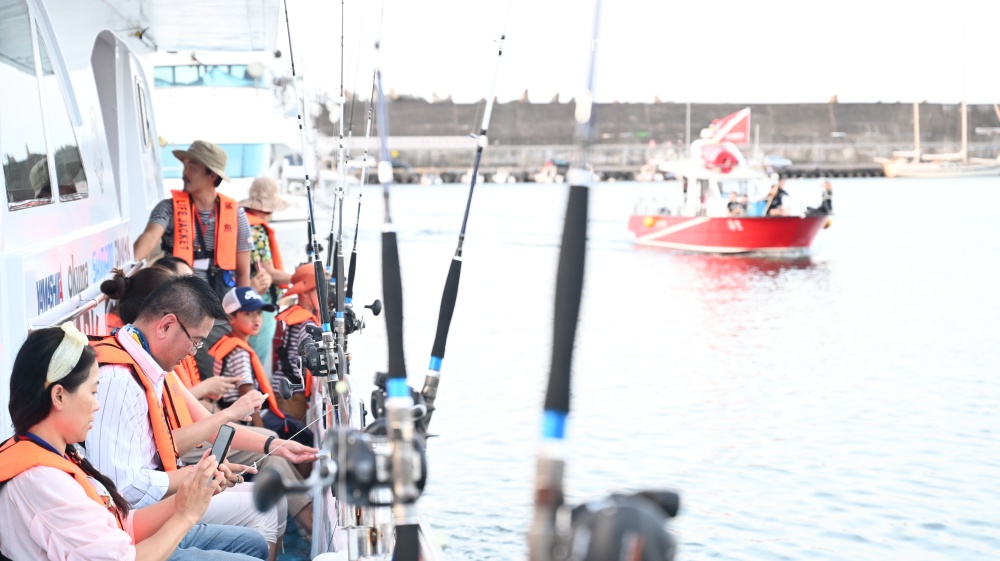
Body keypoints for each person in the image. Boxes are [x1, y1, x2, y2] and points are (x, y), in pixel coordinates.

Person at [0, 324, 268, 560]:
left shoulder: (56, 454)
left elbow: (121, 525)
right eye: (93, 392)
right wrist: (186, 515)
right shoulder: (42, 480)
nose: (97, 405)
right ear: (59, 396)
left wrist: (192, 493)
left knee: (253, 544)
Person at [102, 270, 317, 544]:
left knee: (271, 481)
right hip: (137, 514)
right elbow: (131, 483)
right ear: (165, 323)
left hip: (165, 480)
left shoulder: (149, 363)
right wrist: (197, 474)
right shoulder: (121, 377)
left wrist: (275, 444)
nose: (194, 352)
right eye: (195, 342)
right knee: (263, 510)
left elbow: (183, 437)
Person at [132, 140, 252, 297]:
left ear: (212, 175)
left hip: (220, 302)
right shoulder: (168, 208)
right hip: (179, 299)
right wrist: (132, 262)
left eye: (192, 167)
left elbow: (243, 273)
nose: (184, 173)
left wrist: (241, 308)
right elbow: (150, 236)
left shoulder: (236, 214)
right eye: (184, 166)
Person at [214, 287, 315, 452]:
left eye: (259, 313)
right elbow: (246, 391)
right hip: (246, 418)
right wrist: (259, 430)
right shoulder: (239, 352)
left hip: (242, 413)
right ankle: (301, 478)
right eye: (248, 313)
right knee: (305, 438)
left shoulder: (229, 343)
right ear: (230, 317)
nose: (256, 319)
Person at [239, 177, 293, 374]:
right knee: (258, 361)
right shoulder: (257, 230)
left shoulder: (242, 221)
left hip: (244, 300)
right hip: (260, 301)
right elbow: (269, 272)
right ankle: (260, 400)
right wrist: (301, 278)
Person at [272, 263, 323, 423]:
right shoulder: (308, 324)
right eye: (319, 290)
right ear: (306, 293)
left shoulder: (295, 316)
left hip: (281, 387)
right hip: (292, 394)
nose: (324, 294)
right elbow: (314, 356)